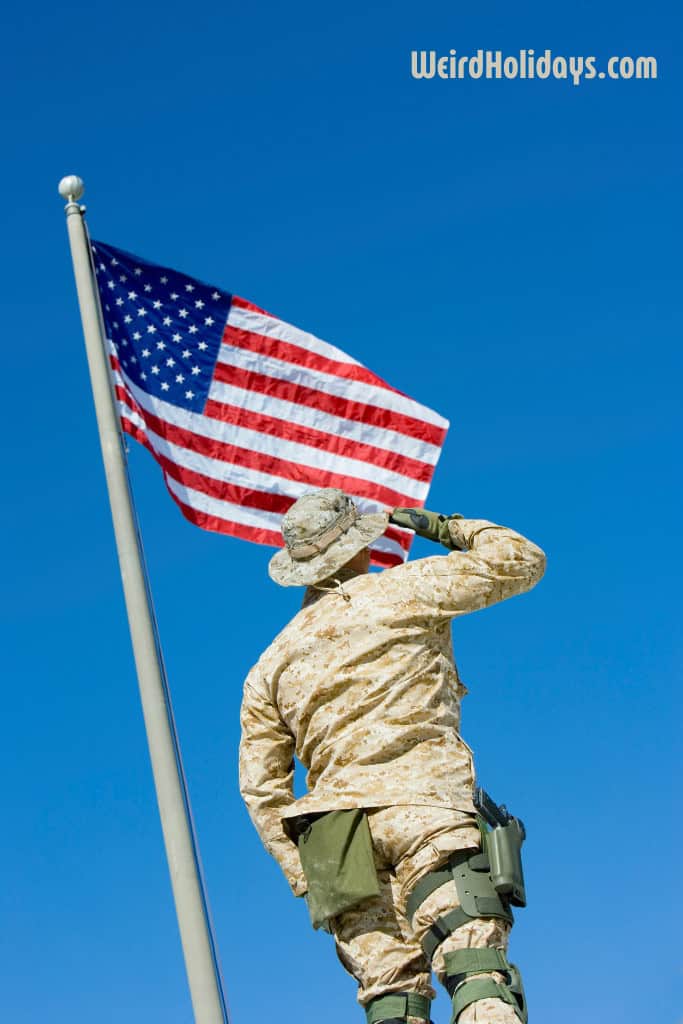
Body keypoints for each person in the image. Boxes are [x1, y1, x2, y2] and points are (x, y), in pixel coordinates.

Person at [239, 488, 546, 1024]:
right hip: (423, 809)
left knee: (391, 1000)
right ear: (360, 544)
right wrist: (437, 525)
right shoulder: (407, 589)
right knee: (473, 965)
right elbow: (520, 558)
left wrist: (303, 870)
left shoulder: (269, 666)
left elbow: (261, 788)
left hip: (334, 842)